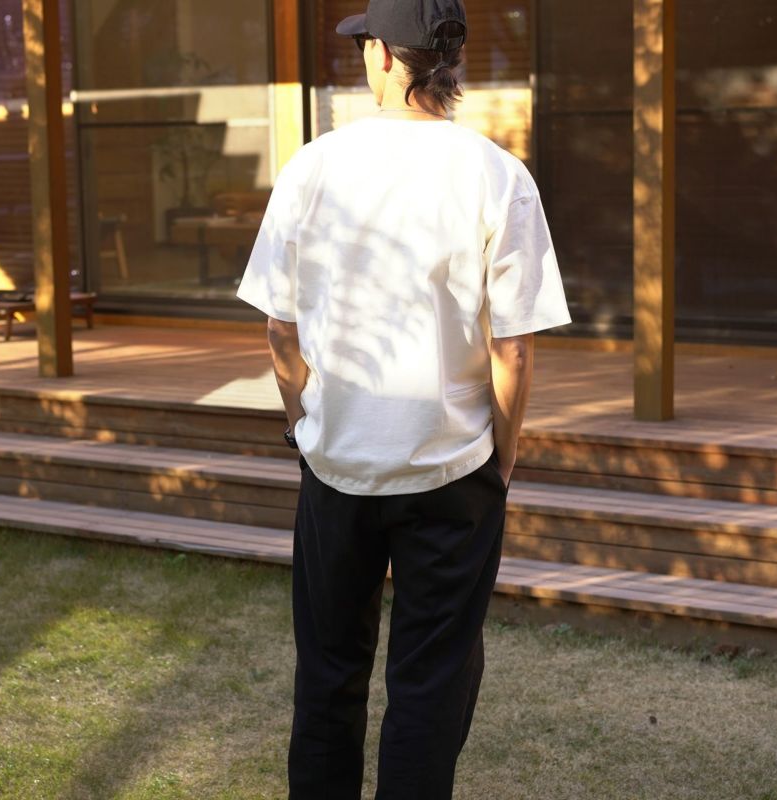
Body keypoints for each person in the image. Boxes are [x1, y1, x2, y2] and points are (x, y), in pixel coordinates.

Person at [236, 1, 572, 796]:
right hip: (454, 467)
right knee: (431, 683)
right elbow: (513, 348)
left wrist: (303, 423)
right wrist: (504, 457)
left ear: (385, 55)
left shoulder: (313, 167)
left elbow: (280, 329)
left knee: (328, 673)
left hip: (336, 461)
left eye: (364, 43)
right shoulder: (498, 174)